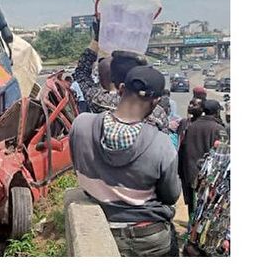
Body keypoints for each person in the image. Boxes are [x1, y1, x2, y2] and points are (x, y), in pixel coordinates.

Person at [69, 66, 181, 257]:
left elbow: (77, 168)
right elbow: (170, 196)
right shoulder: (161, 144)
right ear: (155, 102)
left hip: (102, 228)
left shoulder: (81, 125)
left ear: (121, 89)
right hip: (150, 238)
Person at [73, 24, 169, 132]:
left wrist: (97, 39)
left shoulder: (100, 101)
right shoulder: (158, 114)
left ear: (113, 78)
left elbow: (81, 73)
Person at [178, 99, 227, 218]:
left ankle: (191, 232)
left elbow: (182, 150)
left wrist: (182, 172)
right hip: (209, 179)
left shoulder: (191, 126)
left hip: (190, 174)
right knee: (207, 211)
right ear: (215, 112)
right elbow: (223, 156)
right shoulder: (218, 129)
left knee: (193, 207)